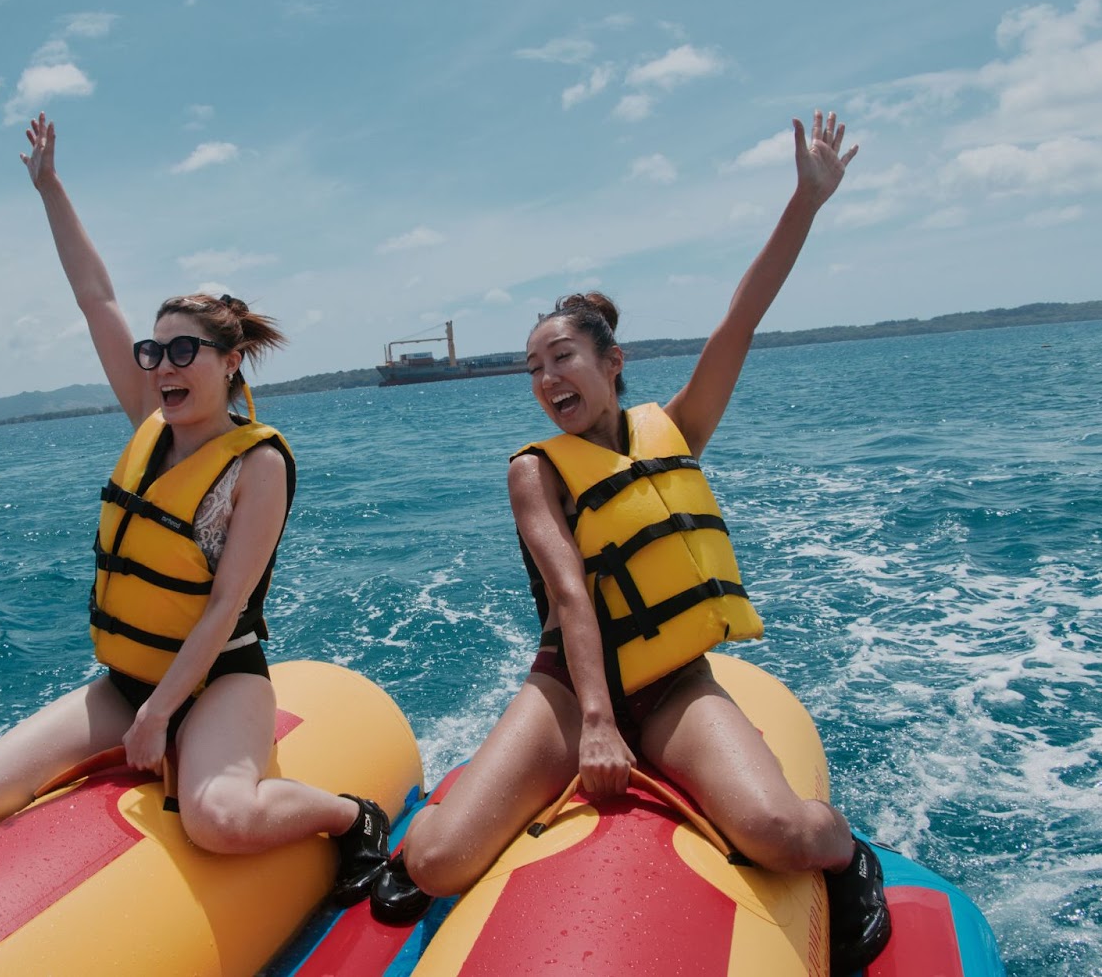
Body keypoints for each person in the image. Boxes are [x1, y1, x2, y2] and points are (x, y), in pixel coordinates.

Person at [372, 112, 891, 972]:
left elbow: (740, 320)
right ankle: (440, 808)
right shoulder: (536, 471)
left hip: (673, 682)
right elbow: (573, 597)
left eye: (563, 358)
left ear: (613, 362)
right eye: (534, 368)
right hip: (568, 690)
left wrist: (805, 201)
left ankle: (852, 854)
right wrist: (595, 726)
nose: (546, 379)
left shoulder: (676, 429)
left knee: (780, 832)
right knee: (435, 864)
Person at [0, 114, 389, 908]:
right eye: (155, 352)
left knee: (218, 821)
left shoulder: (256, 465)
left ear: (230, 363)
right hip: (127, 677)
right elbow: (95, 297)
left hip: (220, 680)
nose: (163, 366)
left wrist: (159, 717)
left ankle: (351, 816)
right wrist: (50, 190)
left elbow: (225, 609)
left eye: (185, 351)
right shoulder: (147, 423)